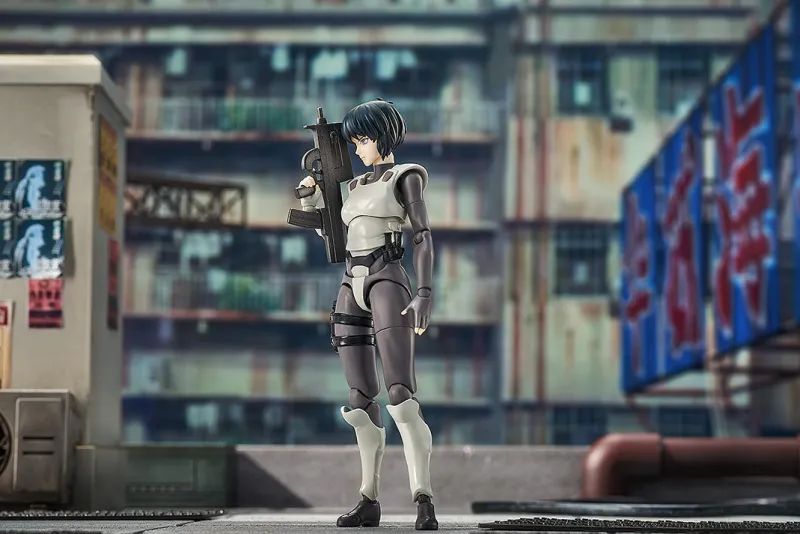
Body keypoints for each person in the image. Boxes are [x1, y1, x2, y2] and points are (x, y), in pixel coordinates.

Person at [298, 99, 437, 530]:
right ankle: (368, 499)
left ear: (382, 136)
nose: (357, 148)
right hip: (350, 280)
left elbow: (423, 235)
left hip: (386, 276)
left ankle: (423, 499)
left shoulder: (406, 176)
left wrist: (425, 292)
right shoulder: (353, 186)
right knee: (359, 399)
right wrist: (311, 200)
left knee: (400, 393)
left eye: (362, 140)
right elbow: (336, 234)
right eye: (354, 141)